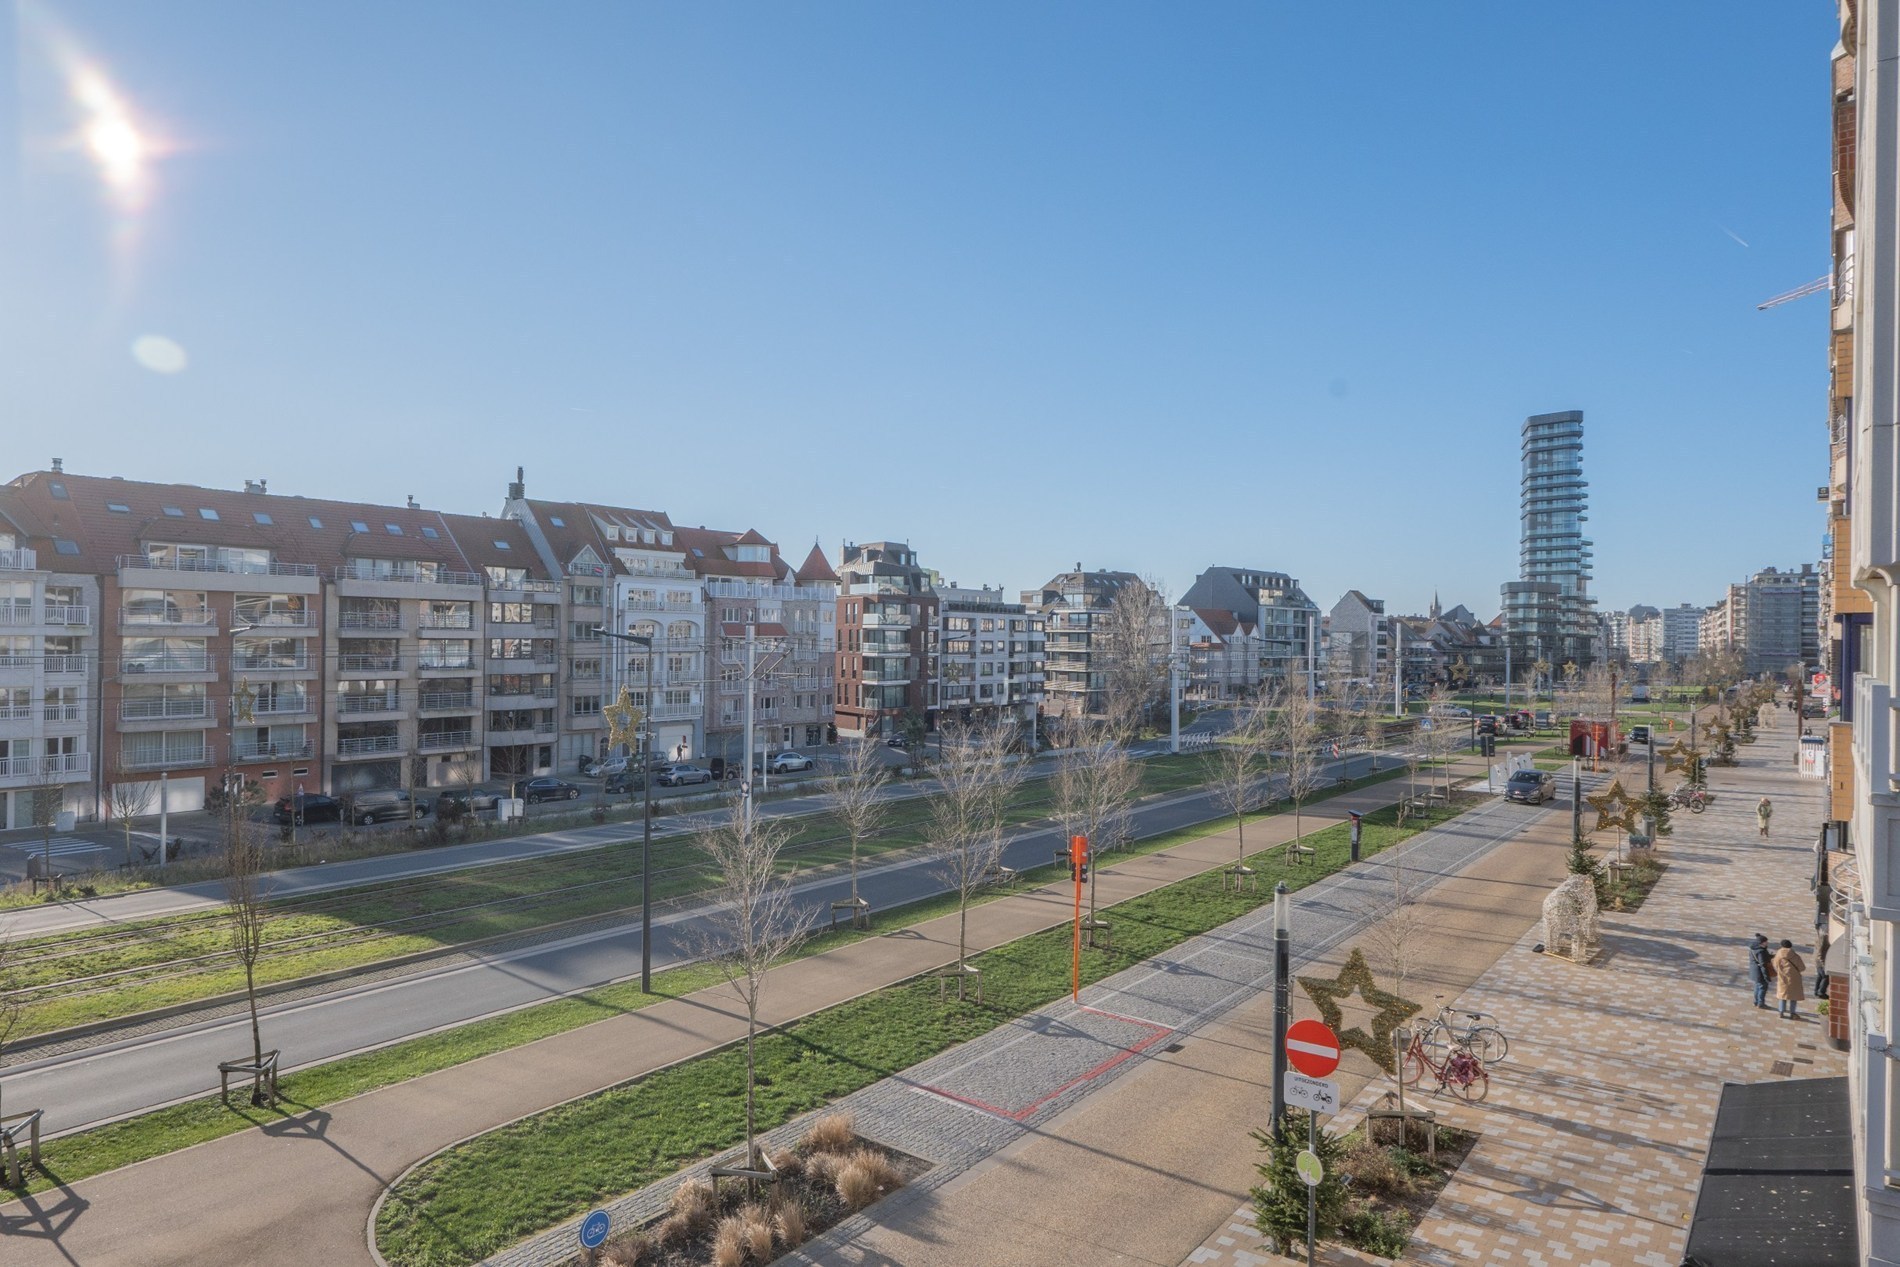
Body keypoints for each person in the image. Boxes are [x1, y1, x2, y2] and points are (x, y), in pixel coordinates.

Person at [1774, 939, 1807, 1019]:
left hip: (1782, 979)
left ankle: (1781, 1012)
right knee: (1793, 997)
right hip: (1794, 979)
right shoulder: (1795, 956)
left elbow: (1775, 965)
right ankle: (1792, 1013)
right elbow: (1802, 968)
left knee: (1782, 996)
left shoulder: (1778, 955)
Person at [1749, 933, 1773, 1010]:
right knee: (1763, 987)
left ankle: (1756, 1002)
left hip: (1754, 971)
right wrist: (1766, 977)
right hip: (1760, 973)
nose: (1767, 943)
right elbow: (1763, 965)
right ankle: (1761, 1003)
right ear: (1761, 943)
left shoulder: (1753, 948)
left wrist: (1771, 956)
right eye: (1766, 942)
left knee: (1757, 986)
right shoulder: (1761, 952)